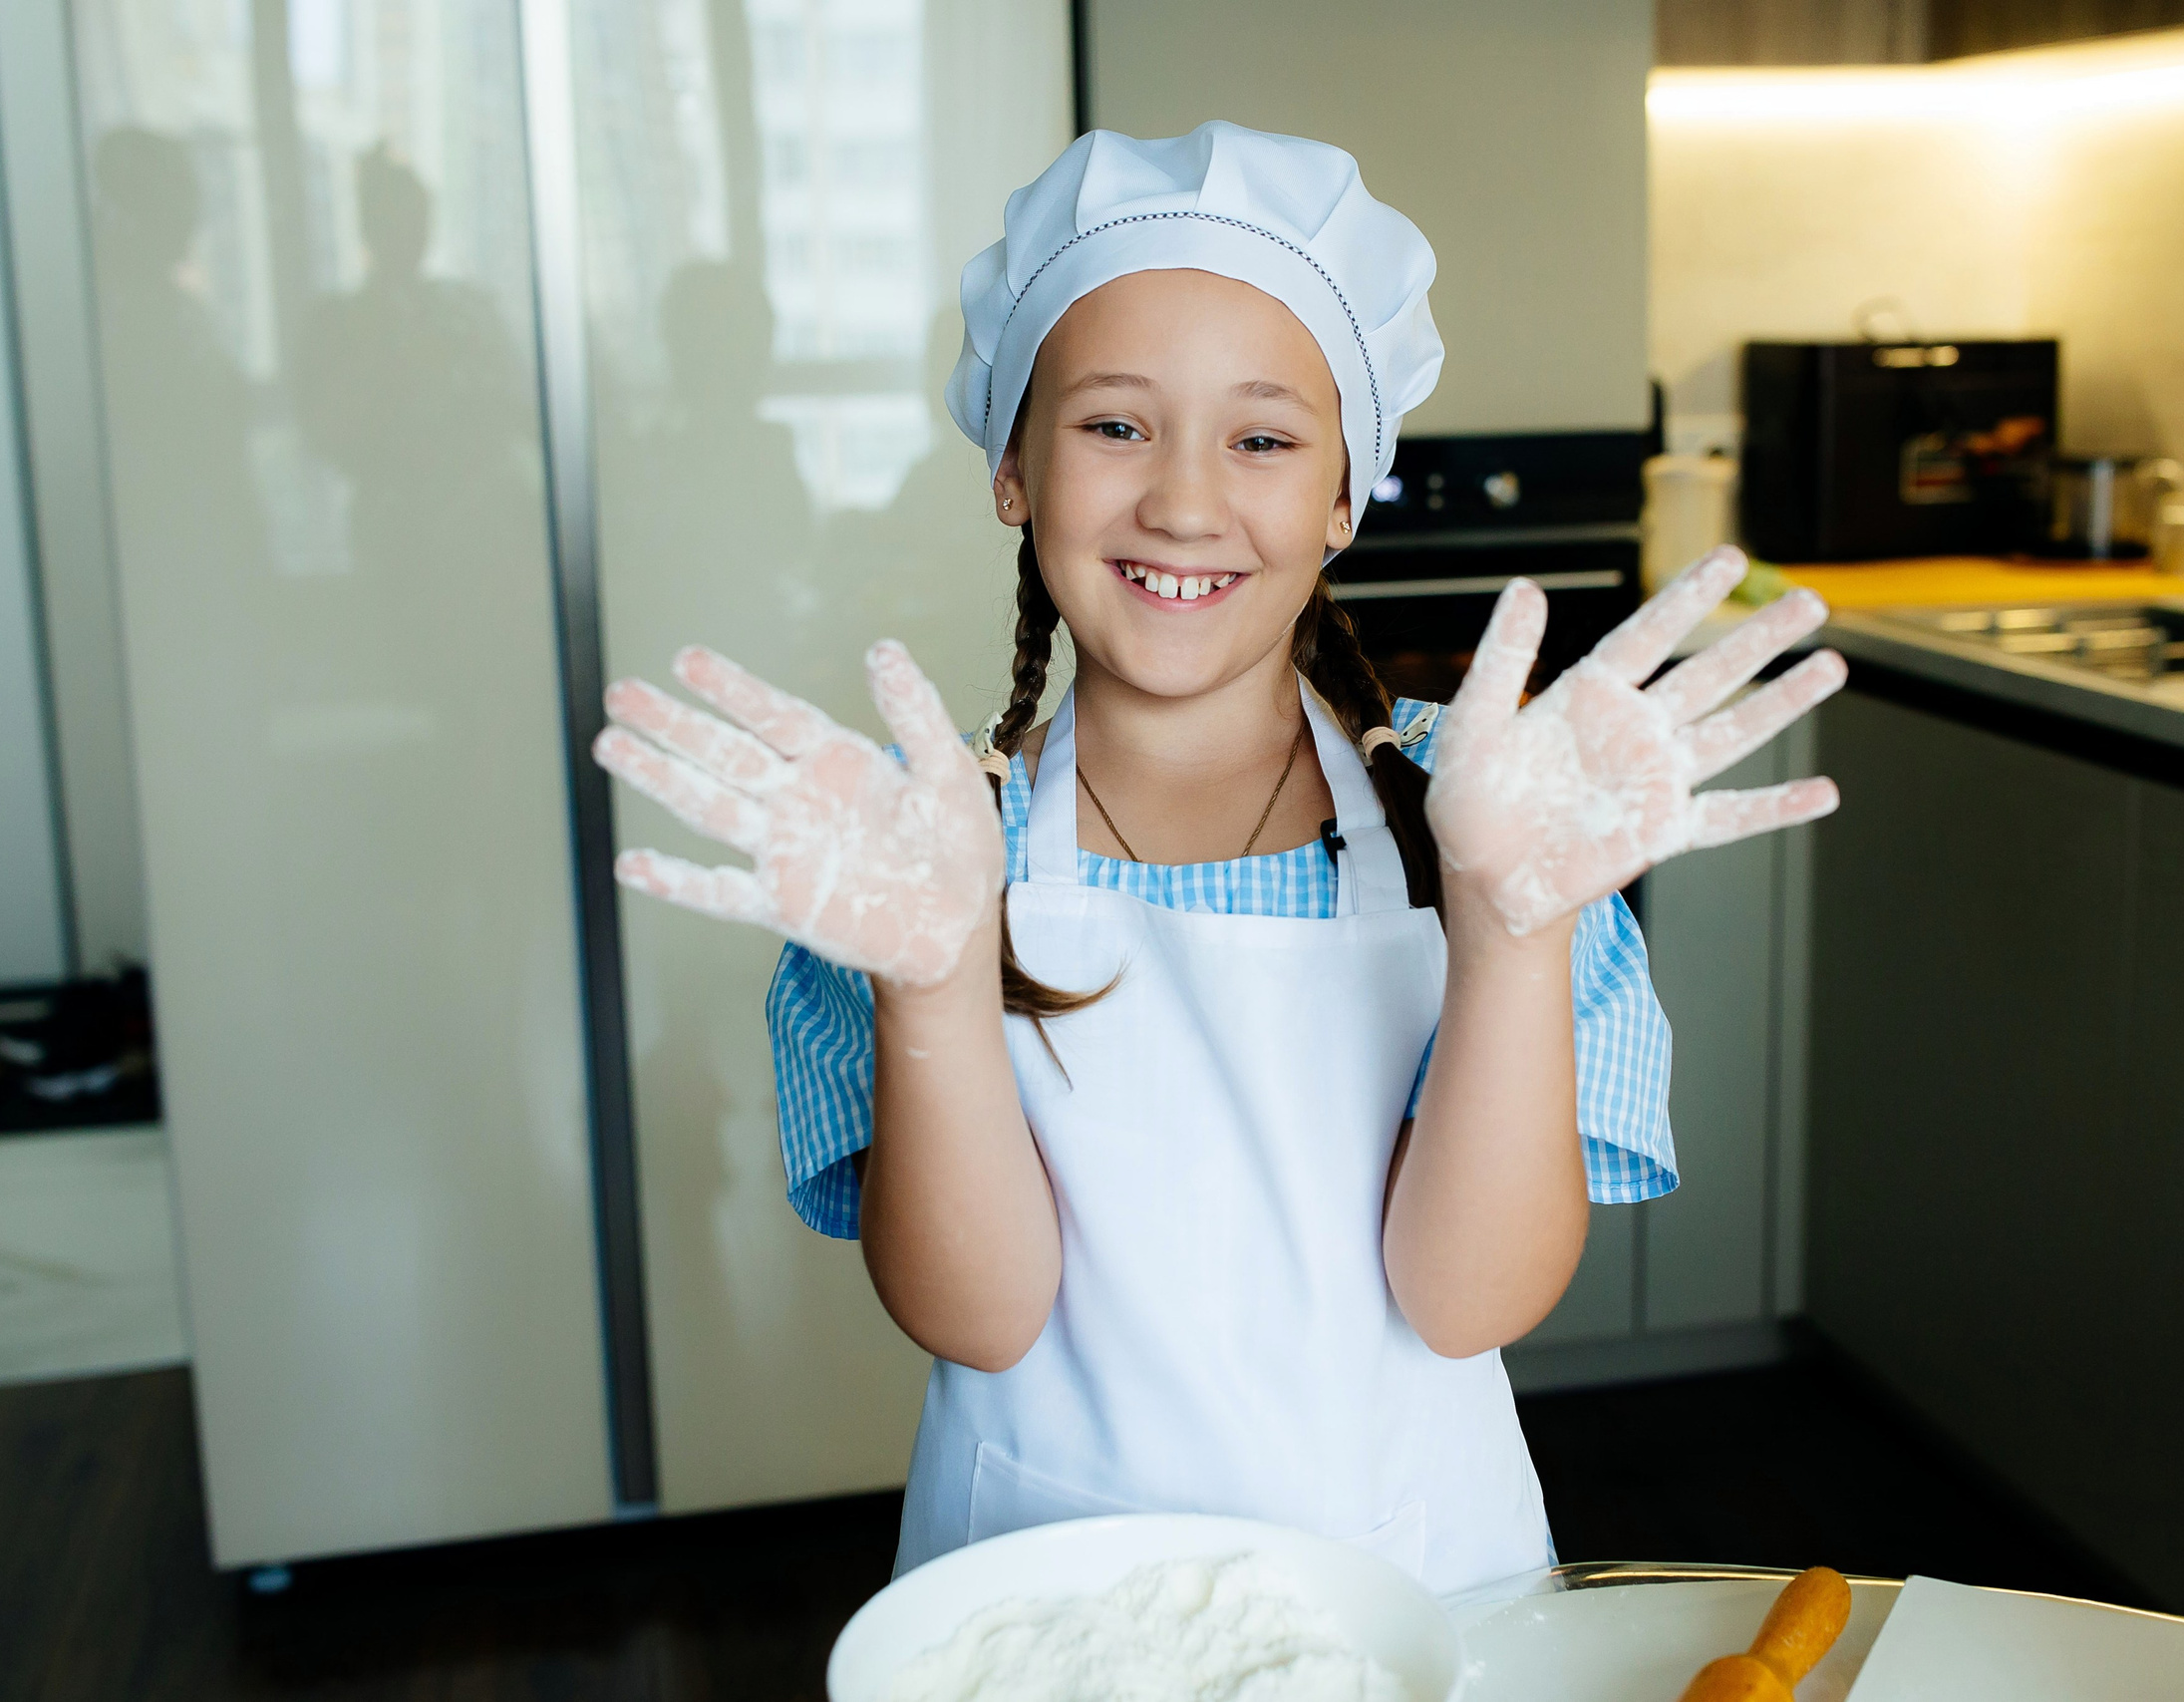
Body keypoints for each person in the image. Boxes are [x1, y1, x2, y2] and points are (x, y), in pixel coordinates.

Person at [592, 122, 1847, 1595]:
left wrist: (1516, 926)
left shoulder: (1497, 817)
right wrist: (932, 977)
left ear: (1343, 498)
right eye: (1115, 424)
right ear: (1012, 470)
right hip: (1036, 1606)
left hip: (1422, 1596)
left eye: (1261, 437)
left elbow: (1467, 1302)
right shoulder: (908, 853)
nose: (1185, 500)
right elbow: (978, 1318)